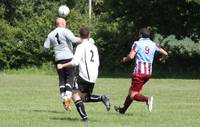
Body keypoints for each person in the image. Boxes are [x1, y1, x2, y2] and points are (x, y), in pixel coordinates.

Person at [57, 27, 111, 122]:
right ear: (89, 35)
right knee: (85, 97)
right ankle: (102, 98)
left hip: (84, 75)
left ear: (79, 36)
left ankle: (84, 118)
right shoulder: (94, 47)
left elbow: (75, 62)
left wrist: (62, 65)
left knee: (74, 95)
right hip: (93, 75)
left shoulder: (80, 47)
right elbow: (97, 62)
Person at [114, 28, 168, 114]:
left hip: (139, 73)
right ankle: (122, 110)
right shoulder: (153, 44)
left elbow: (131, 57)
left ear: (140, 34)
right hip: (148, 73)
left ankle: (148, 99)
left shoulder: (137, 43)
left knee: (133, 94)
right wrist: (162, 59)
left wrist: (124, 59)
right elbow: (165, 53)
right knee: (132, 91)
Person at [43, 17, 81, 110]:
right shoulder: (65, 31)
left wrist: (56, 46)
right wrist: (85, 39)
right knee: (70, 79)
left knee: (62, 80)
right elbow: (74, 40)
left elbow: (45, 47)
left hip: (58, 59)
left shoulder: (51, 34)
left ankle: (64, 100)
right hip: (68, 58)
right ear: (63, 24)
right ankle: (67, 99)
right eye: (65, 23)